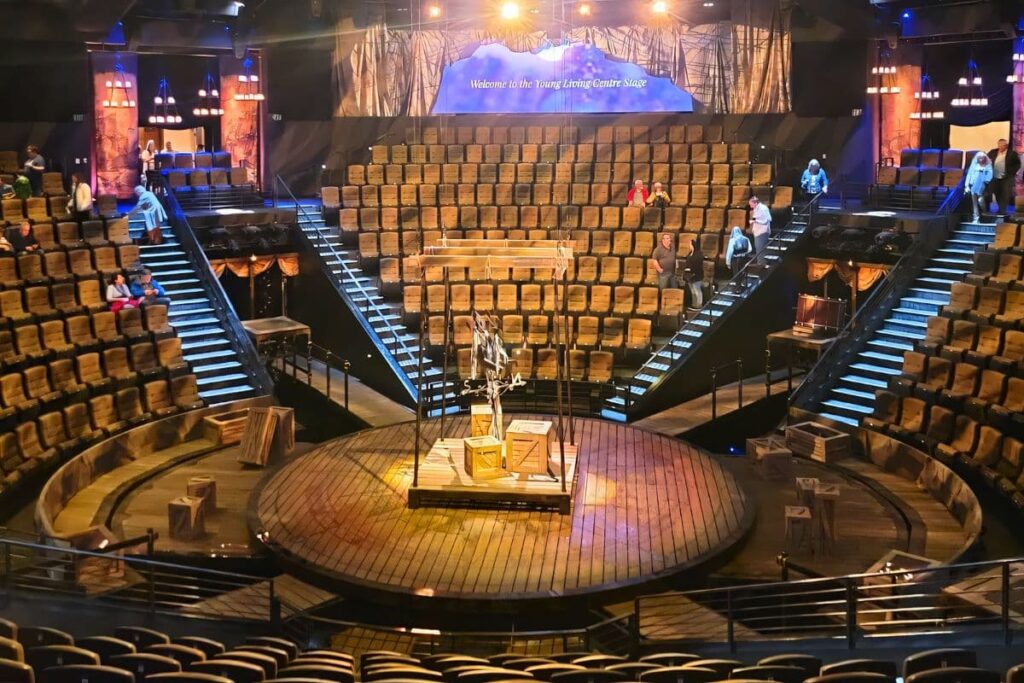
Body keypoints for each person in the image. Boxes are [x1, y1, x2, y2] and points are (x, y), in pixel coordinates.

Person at [987, 139, 1021, 216]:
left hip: (1006, 178)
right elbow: (986, 159)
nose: (1001, 147)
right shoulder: (993, 152)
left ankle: (1002, 210)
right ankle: (1000, 208)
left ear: (1006, 146)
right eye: (999, 145)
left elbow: (1017, 164)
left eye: (1003, 145)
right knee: (997, 193)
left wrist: (1011, 172)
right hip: (995, 177)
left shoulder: (1012, 154)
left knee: (1005, 194)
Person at [965, 151, 993, 223]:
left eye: (982, 158)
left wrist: (986, 180)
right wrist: (966, 185)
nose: (981, 159)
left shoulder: (988, 165)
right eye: (979, 158)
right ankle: (976, 218)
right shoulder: (974, 165)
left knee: (980, 200)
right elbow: (969, 174)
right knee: (974, 202)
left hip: (982, 183)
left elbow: (990, 174)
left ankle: (984, 211)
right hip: (973, 183)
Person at [682, 239, 704, 309]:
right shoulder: (690, 253)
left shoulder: (699, 254)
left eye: (690, 244)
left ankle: (699, 305)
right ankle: (694, 304)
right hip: (689, 276)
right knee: (693, 291)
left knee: (697, 290)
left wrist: (691, 270)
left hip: (696, 275)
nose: (689, 245)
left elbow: (698, 265)